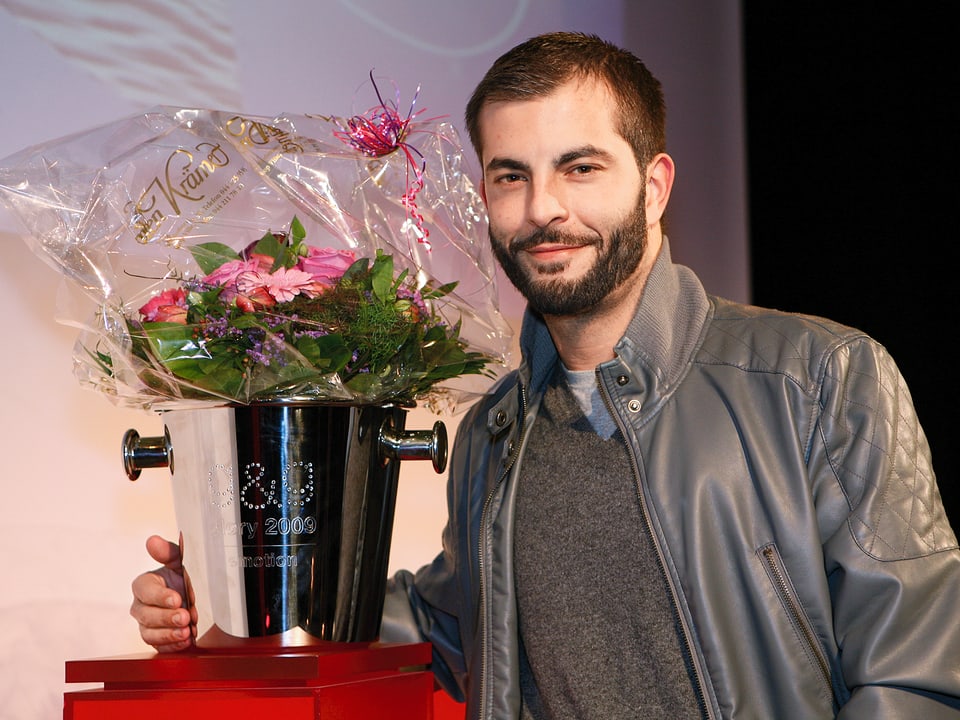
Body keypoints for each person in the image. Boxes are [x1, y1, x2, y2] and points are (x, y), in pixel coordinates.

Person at [131, 32, 960, 718]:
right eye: (511, 177)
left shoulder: (816, 377)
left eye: (581, 168)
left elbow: (915, 678)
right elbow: (454, 630)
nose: (544, 209)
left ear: (655, 186)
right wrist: (238, 598)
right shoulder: (497, 426)